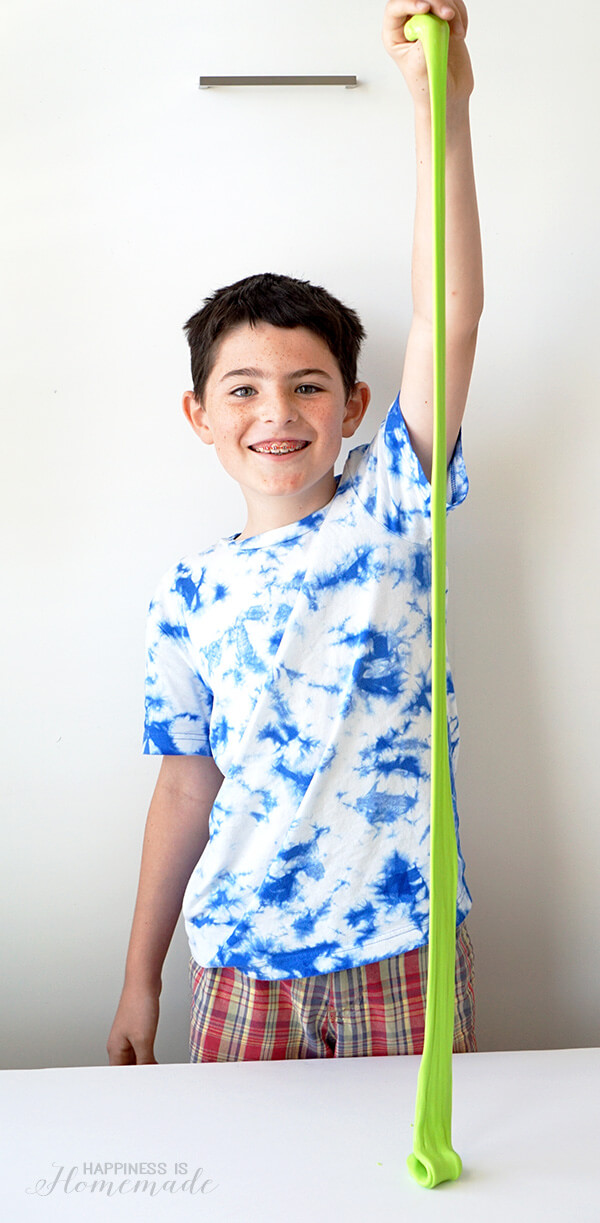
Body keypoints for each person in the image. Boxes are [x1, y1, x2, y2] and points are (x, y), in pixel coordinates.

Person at [107, 0, 483, 1066]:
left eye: (308, 385)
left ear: (354, 406)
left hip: (403, 950)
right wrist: (141, 976)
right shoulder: (187, 591)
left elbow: (450, 313)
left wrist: (439, 110)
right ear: (201, 415)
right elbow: (185, 783)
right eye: (245, 388)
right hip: (236, 962)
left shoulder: (391, 508)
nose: (278, 412)